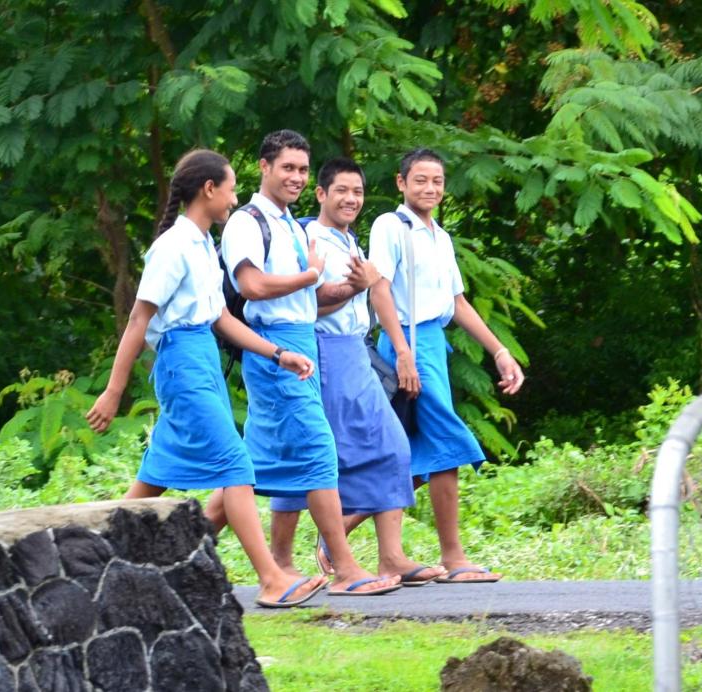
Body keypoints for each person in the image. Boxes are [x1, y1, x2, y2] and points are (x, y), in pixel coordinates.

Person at [85, 148, 327, 608]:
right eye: (232, 189)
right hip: (182, 366)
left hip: (203, 361)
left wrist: (278, 353)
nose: (235, 199)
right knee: (237, 465)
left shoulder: (200, 245)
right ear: (209, 189)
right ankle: (272, 579)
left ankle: (101, 560)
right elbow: (139, 319)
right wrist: (113, 391)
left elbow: (221, 318)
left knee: (153, 477)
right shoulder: (173, 247)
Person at [206, 131, 400, 596]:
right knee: (318, 451)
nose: (295, 177)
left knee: (249, 466)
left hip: (300, 344)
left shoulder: (293, 224)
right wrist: (310, 275)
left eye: (301, 169)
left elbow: (310, 301)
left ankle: (173, 561)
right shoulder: (248, 222)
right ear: (264, 167)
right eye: (287, 167)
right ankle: (348, 571)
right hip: (273, 348)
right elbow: (251, 286)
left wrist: (350, 286)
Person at [266, 157, 446, 586]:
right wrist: (355, 286)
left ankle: (392, 557)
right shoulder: (310, 238)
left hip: (356, 351)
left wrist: (397, 345)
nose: (351, 199)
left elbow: (374, 290)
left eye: (358, 192)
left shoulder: (349, 241)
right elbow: (310, 301)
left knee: (392, 448)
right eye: (342, 191)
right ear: (321, 194)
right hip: (322, 352)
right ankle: (282, 561)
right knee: (309, 455)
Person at [367, 147, 525, 583]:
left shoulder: (440, 237)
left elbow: (456, 303)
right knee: (449, 442)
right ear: (401, 183)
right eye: (420, 180)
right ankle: (452, 558)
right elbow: (378, 289)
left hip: (433, 344)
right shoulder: (390, 226)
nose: (430, 188)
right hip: (407, 340)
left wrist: (499, 350)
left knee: (421, 452)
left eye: (437, 181)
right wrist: (401, 352)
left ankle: (345, 530)